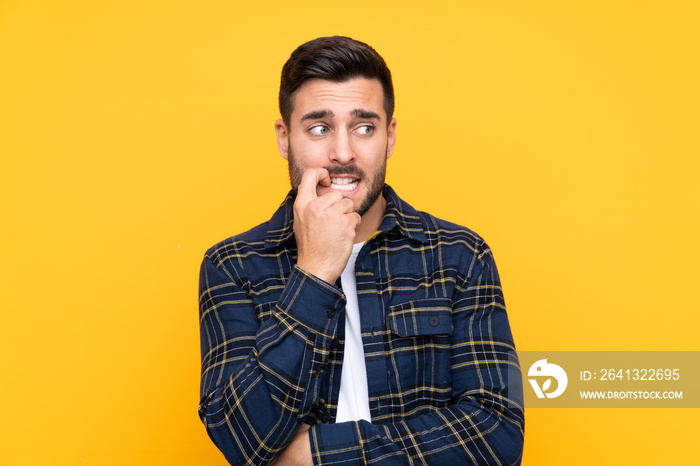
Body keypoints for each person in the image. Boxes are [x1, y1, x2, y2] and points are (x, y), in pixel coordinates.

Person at [198, 36, 524, 465]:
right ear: (284, 138)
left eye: (364, 127)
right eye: (319, 128)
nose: (343, 153)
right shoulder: (232, 266)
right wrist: (313, 274)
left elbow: (497, 435)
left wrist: (315, 455)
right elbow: (240, 437)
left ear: (389, 136)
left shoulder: (461, 256)